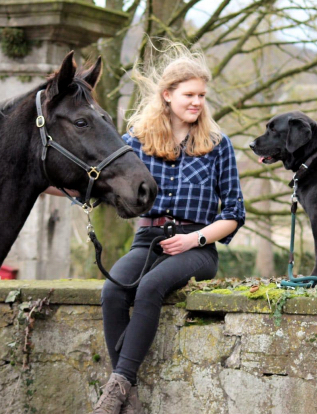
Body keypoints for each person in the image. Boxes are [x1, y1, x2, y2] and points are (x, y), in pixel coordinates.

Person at [93, 43, 246, 414]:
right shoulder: (137, 142)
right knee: (114, 290)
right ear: (167, 94)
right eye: (188, 94)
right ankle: (125, 393)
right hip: (148, 239)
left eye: (201, 96)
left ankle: (116, 391)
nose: (196, 102)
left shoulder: (216, 145)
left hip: (198, 246)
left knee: (150, 287)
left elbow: (235, 214)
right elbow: (102, 184)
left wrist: (196, 238)